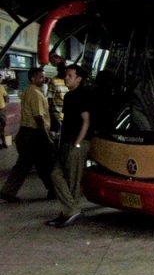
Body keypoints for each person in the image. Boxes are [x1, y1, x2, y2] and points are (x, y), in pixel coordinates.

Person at [0, 67, 55, 203]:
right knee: (42, 162)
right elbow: (38, 117)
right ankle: (53, 189)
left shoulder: (29, 91)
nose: (43, 79)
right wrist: (47, 137)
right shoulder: (35, 93)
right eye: (41, 77)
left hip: (26, 133)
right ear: (33, 78)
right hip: (33, 134)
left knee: (32, 163)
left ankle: (8, 191)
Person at [46, 65, 92, 227]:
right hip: (65, 143)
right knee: (55, 175)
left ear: (79, 78)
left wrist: (78, 144)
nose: (66, 78)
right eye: (66, 75)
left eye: (70, 76)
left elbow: (86, 121)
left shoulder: (82, 95)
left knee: (72, 180)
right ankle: (71, 210)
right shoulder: (68, 96)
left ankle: (68, 212)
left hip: (76, 144)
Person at [48, 55, 68, 137]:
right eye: (63, 70)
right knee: (55, 137)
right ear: (59, 71)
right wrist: (51, 115)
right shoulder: (54, 81)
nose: (65, 73)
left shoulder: (67, 81)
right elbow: (49, 99)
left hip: (66, 116)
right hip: (56, 116)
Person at [0, 80, 8, 148]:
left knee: (2, 127)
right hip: (2, 110)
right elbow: (6, 98)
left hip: (2, 109)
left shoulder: (1, 87)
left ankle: (3, 142)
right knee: (2, 127)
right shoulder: (1, 87)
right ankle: (3, 142)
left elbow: (6, 97)